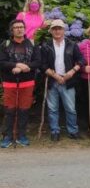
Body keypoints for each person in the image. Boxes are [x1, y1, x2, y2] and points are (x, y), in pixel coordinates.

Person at [41, 19, 85, 141]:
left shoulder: (72, 44)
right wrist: (55, 76)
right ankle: (55, 131)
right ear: (51, 31)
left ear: (64, 30)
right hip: (52, 80)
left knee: (70, 108)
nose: (57, 31)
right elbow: (42, 65)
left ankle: (73, 131)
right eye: (54, 29)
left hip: (68, 81)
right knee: (52, 108)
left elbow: (81, 60)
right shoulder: (46, 46)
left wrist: (72, 71)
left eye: (59, 28)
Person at [0, 20, 41, 148]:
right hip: (10, 82)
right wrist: (16, 65)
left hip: (27, 82)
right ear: (12, 30)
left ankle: (21, 135)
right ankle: (7, 136)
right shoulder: (5, 44)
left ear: (24, 29)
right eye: (16, 27)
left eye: (21, 27)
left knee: (24, 110)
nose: (19, 29)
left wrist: (24, 67)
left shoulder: (32, 44)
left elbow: (38, 62)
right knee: (10, 110)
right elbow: (2, 62)